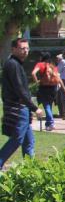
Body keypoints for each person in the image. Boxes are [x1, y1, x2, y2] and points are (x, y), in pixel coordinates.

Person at [1, 38, 37, 170]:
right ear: (13, 49)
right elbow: (19, 89)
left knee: (29, 141)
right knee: (17, 139)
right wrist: (34, 108)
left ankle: (30, 169)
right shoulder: (12, 64)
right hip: (18, 107)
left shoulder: (17, 64)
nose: (25, 51)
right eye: (22, 48)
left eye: (27, 48)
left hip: (23, 107)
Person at [31, 52, 63, 131]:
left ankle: (51, 123)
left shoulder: (40, 64)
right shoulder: (52, 66)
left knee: (46, 106)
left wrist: (36, 82)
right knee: (50, 105)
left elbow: (33, 73)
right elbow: (58, 77)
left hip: (44, 87)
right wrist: (64, 88)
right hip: (53, 87)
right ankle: (48, 124)